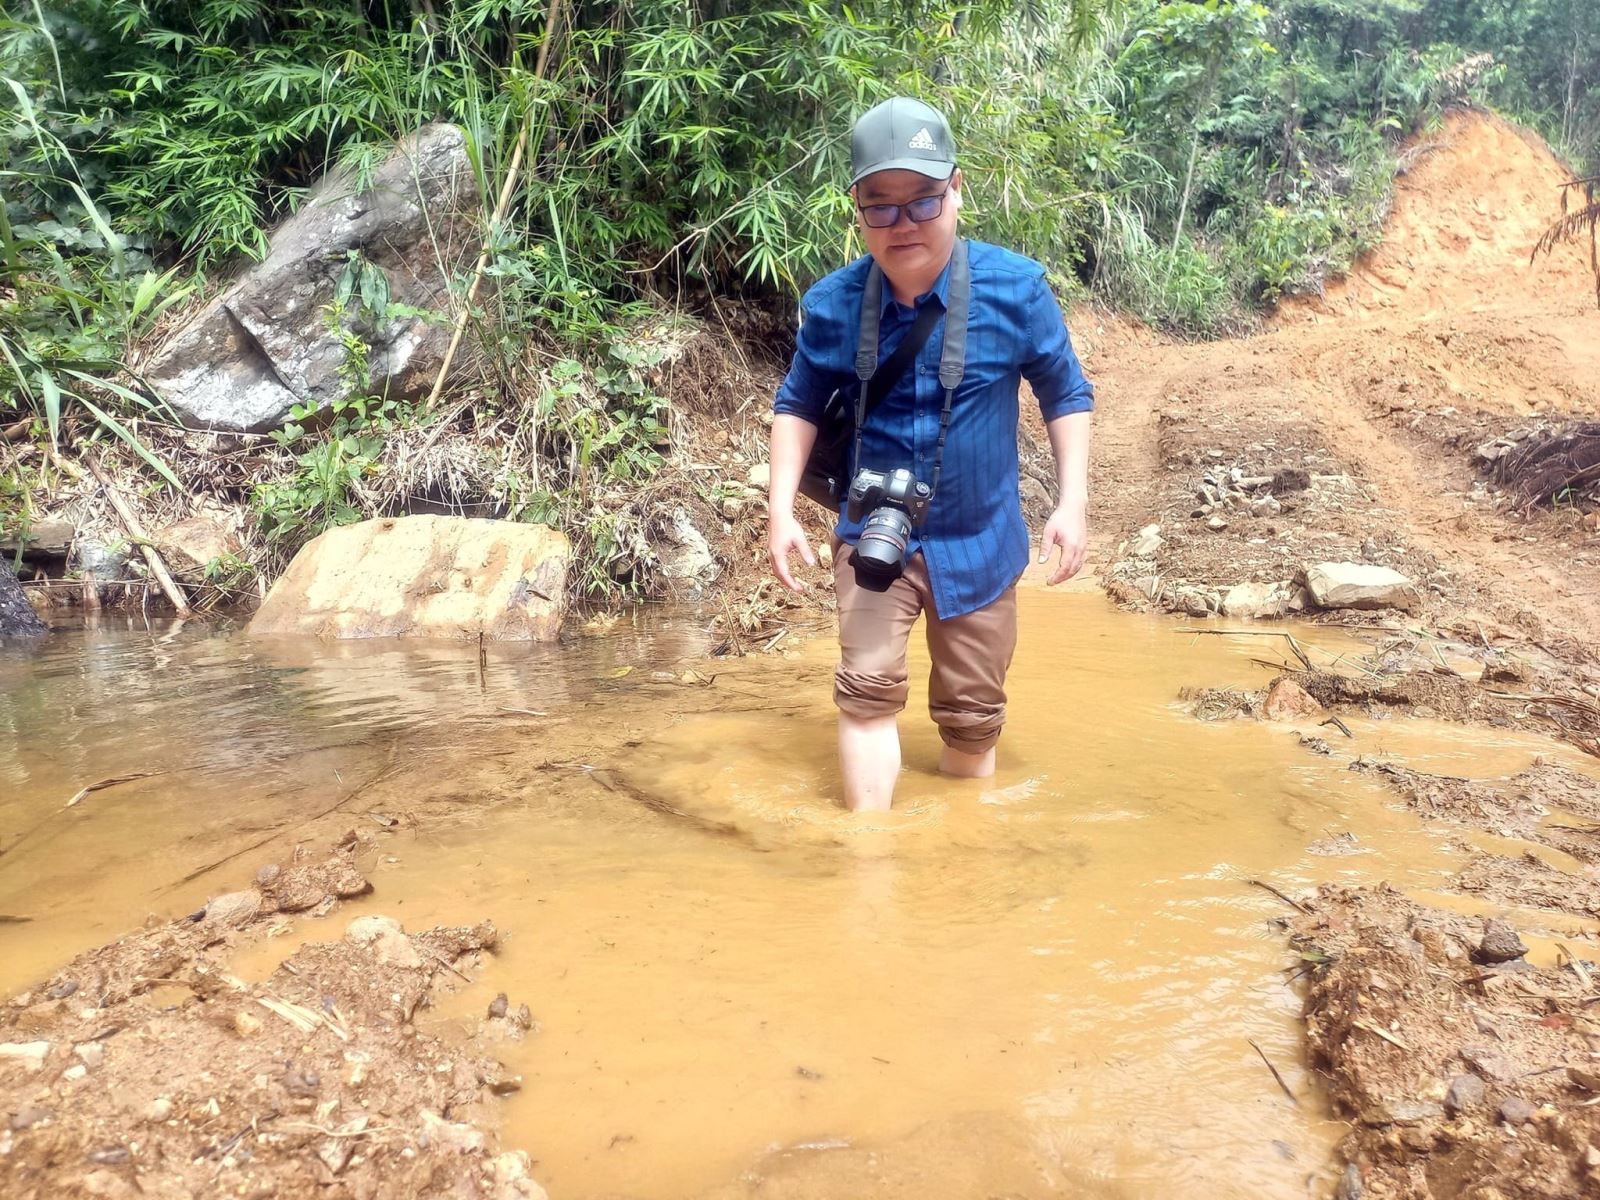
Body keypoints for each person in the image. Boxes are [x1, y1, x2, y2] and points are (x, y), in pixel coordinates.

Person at [766, 96, 1095, 812]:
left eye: (922, 200)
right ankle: (869, 865)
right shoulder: (832, 304)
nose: (903, 223)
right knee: (866, 692)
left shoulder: (1017, 290)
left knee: (973, 723)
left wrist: (1072, 504)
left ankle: (958, 870)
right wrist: (780, 510)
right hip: (873, 534)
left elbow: (1065, 394)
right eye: (880, 206)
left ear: (957, 189)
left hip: (980, 540)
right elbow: (794, 404)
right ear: (856, 207)